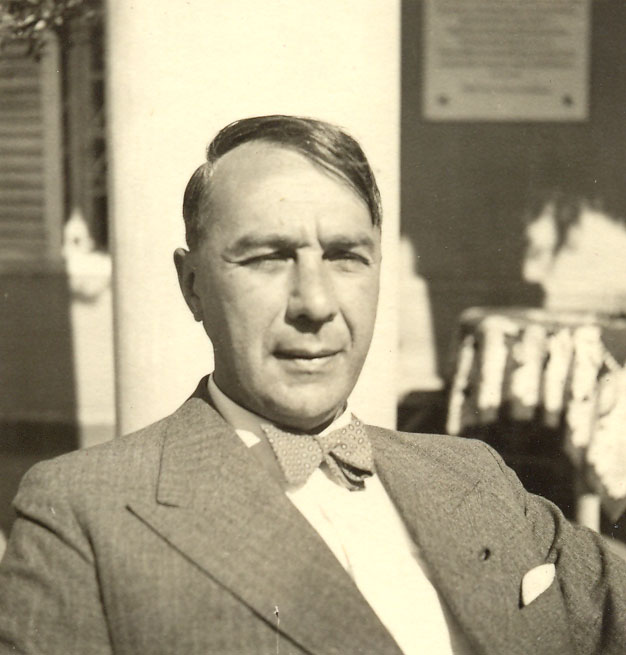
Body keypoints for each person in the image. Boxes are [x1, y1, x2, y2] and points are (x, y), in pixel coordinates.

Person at [0, 116, 625, 655]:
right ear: (192, 286)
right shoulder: (86, 511)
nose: (316, 304)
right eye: (268, 257)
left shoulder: (470, 473)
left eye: (345, 256)